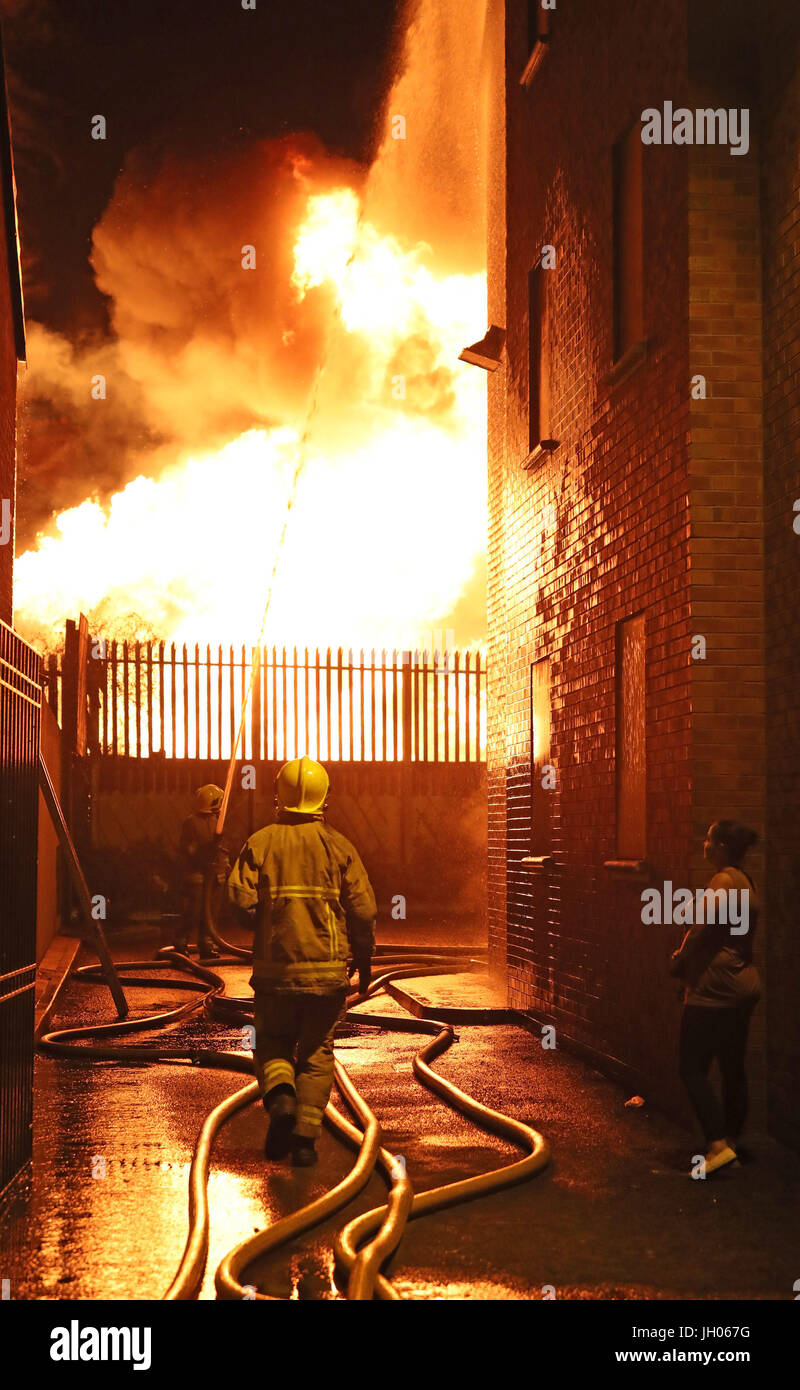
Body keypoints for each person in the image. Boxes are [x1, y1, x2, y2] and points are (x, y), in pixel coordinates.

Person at [227, 756, 376, 1167]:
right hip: (328, 977)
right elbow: (363, 911)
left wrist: (264, 919)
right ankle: (306, 1139)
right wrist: (363, 960)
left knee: (271, 1042)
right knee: (316, 1052)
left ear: (280, 798)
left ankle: (280, 1102)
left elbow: (239, 901)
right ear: (323, 799)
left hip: (275, 976)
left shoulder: (260, 842)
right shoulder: (339, 845)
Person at [671, 820, 761, 1176]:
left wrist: (679, 961)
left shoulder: (722, 882)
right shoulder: (746, 882)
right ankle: (732, 1142)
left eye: (708, 839)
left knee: (691, 1067)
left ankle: (717, 1144)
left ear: (722, 846)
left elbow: (699, 932)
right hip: (743, 987)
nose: (704, 845)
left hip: (714, 990)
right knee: (732, 1068)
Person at [175, 783, 228, 960]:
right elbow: (187, 848)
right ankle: (181, 943)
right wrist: (201, 854)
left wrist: (223, 863)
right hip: (198, 876)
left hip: (215, 876)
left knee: (210, 914)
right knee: (193, 911)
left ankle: (206, 945)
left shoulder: (218, 821)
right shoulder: (192, 822)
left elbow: (224, 848)